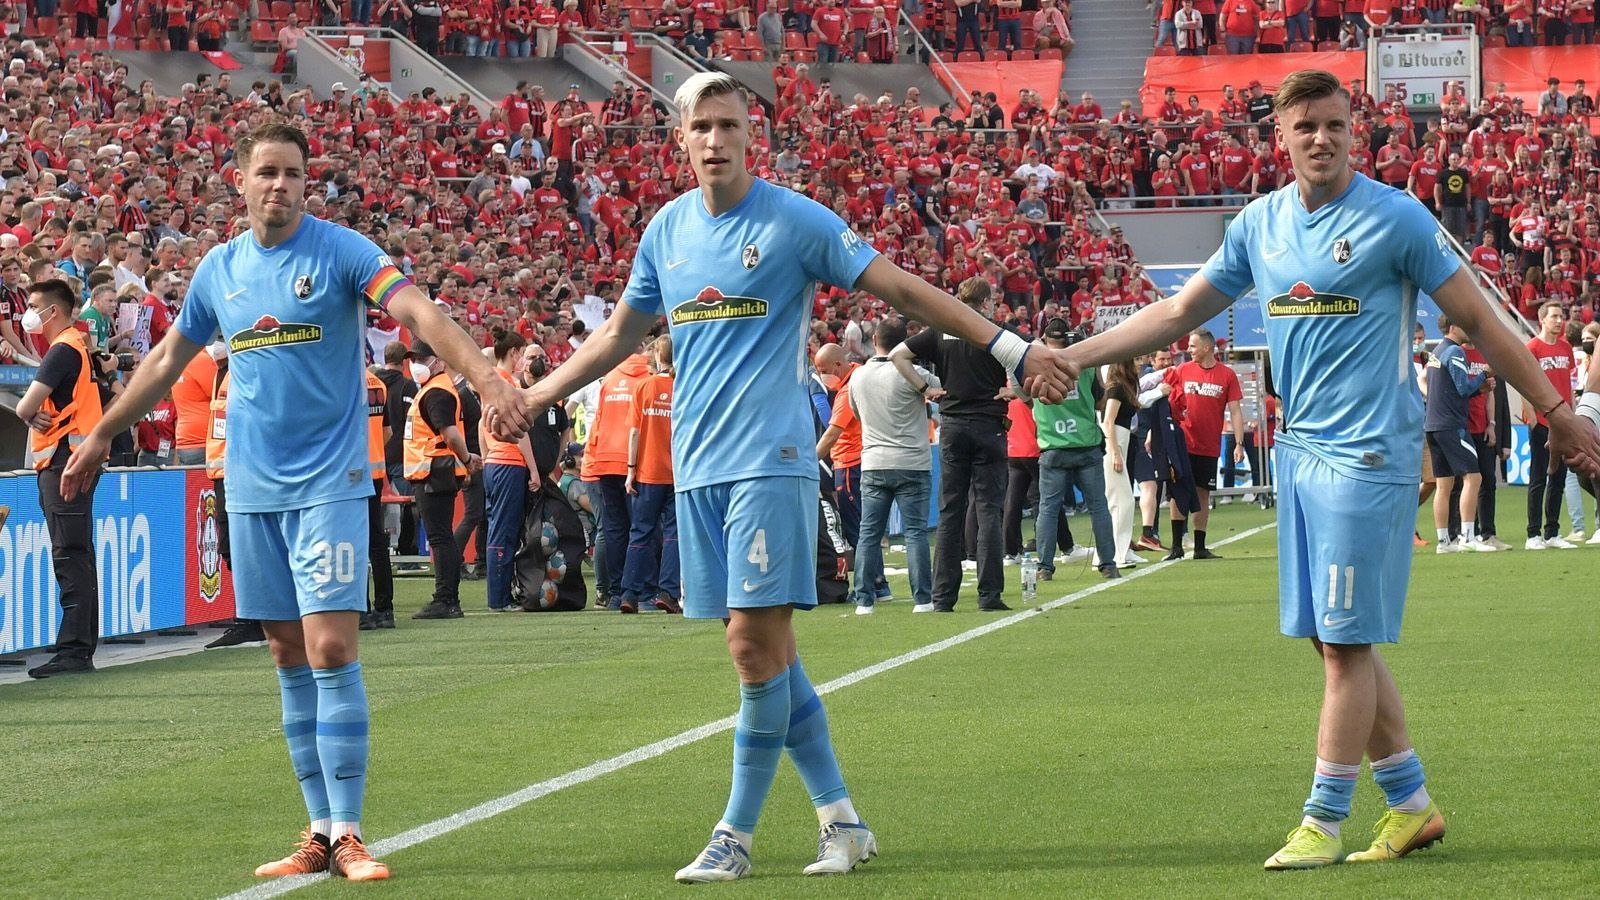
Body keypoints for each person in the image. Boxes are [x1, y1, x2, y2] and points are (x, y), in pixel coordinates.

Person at [512, 71, 1072, 885]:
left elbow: (904, 289)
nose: (714, 140)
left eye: (728, 124)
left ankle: (734, 835)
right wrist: (534, 393)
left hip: (769, 461)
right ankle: (842, 822)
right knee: (771, 652)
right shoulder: (665, 232)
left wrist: (1013, 346)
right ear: (679, 138)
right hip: (696, 469)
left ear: (751, 134)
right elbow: (616, 340)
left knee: (749, 647)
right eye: (700, 126)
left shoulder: (795, 220)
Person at [1058, 69, 1600, 870]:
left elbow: (1482, 321)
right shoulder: (1258, 225)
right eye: (1305, 125)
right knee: (1326, 638)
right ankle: (1412, 805)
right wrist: (1070, 355)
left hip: (1368, 455)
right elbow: (1176, 313)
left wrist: (1558, 415)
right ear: (1279, 136)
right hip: (1300, 454)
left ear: (1357, 132)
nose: (1321, 138)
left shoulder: (1396, 217)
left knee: (1345, 646)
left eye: (1336, 125)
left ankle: (1324, 817)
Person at [61, 123, 530, 882]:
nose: (279, 185)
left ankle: (348, 833)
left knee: (332, 649)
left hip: (330, 483)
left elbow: (419, 314)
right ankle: (315, 831)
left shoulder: (341, 251)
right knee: (283, 654)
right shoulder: (219, 270)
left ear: (307, 184)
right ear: (240, 181)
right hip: (248, 488)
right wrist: (99, 435)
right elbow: (164, 359)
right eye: (266, 172)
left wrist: (486, 377)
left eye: (292, 174)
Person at [894, 277, 1018, 612]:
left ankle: (943, 597)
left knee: (951, 511)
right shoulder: (995, 331)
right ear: (986, 302)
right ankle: (989, 594)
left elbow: (898, 355)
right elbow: (1027, 360)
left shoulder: (939, 331)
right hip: (989, 425)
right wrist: (1016, 391)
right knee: (989, 510)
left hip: (953, 425)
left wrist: (924, 387)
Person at [15, 280, 104, 678]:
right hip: (74, 458)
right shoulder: (77, 346)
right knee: (79, 554)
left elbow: (24, 405)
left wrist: (28, 413)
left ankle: (73, 651)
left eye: (34, 305)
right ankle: (80, 648)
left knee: (69, 555)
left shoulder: (62, 348)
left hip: (63, 462)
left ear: (55, 310)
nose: (28, 313)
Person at [848, 316, 940, 614]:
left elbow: (857, 414)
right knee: (915, 533)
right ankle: (923, 599)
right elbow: (941, 393)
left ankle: (864, 600)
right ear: (905, 343)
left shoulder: (858, 376)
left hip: (874, 460)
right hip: (912, 461)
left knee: (869, 533)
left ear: (874, 339)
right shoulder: (913, 373)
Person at [1032, 318, 1120, 580]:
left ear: (1046, 338)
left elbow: (1026, 397)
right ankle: (1108, 564)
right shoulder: (1084, 364)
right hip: (1086, 443)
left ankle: (1044, 568)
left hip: (1052, 445)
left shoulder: (1034, 364)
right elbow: (1101, 401)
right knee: (1098, 507)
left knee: (1048, 509)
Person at [406, 341, 480, 619]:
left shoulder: (437, 391)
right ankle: (448, 598)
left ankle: (446, 598)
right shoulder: (435, 388)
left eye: (423, 359)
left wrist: (466, 459)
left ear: (438, 361)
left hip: (434, 471)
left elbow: (449, 434)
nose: (416, 364)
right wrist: (465, 458)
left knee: (440, 537)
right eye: (414, 359)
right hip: (435, 469)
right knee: (442, 536)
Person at [1163, 329, 1244, 559]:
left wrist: (1239, 443)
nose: (1189, 350)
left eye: (1192, 346)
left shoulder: (1227, 375)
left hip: (1209, 444)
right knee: (1178, 491)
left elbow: (1236, 412)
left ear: (1206, 348)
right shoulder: (1182, 370)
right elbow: (1164, 401)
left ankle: (1199, 547)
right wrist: (1155, 434)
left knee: (1203, 493)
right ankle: (1176, 545)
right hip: (1183, 442)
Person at [1423, 313, 1495, 553]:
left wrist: (1477, 387)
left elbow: (1443, 387)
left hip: (1432, 425)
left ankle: (1444, 542)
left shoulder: (1436, 352)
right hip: (1451, 425)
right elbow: (1463, 387)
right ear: (1454, 326)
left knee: (1444, 484)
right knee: (1474, 478)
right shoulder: (1455, 352)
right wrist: (1483, 375)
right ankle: (1468, 536)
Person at [481, 331, 542, 611]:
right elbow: (522, 432)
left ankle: (498, 595)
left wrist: (486, 456)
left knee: (497, 528)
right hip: (508, 462)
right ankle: (500, 598)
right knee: (504, 532)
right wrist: (533, 470)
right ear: (515, 353)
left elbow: (481, 428)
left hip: (494, 461)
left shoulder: (489, 384)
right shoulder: (508, 386)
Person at [623, 334, 681, 613]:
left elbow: (634, 432)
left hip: (647, 471)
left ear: (657, 356)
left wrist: (630, 470)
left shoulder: (643, 386)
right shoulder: (682, 387)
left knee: (640, 533)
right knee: (673, 534)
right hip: (677, 473)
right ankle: (668, 592)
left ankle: (629, 594)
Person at [1523, 302, 1578, 549]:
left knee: (1559, 477)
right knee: (1538, 476)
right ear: (1542, 319)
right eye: (1554, 316)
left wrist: (1574, 413)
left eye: (1561, 316)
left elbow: (1570, 383)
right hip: (1542, 420)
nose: (1559, 320)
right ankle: (1533, 534)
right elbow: (1523, 383)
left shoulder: (1566, 348)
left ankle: (1552, 532)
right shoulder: (1532, 348)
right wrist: (1532, 417)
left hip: (1564, 422)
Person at [1100, 358, 1145, 569]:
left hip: (1120, 441)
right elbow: (1108, 421)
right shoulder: (1116, 388)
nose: (1142, 363)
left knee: (1118, 500)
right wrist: (1115, 453)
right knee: (1122, 500)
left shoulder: (1124, 387)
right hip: (1114, 442)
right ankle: (1117, 553)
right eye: (1137, 360)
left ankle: (1119, 550)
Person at [362, 365, 397, 628]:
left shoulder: (342, 381)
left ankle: (360, 609)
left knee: (354, 542)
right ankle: (385, 609)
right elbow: (387, 432)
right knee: (377, 543)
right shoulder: (377, 383)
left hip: (349, 473)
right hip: (374, 470)